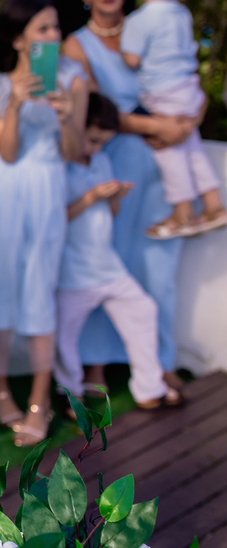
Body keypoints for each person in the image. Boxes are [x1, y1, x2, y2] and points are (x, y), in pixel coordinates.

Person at [55, 0, 193, 394]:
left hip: (164, 164)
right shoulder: (76, 44)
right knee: (106, 258)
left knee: (158, 265)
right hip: (112, 162)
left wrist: (189, 118)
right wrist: (159, 127)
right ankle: (94, 365)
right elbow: (101, 111)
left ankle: (159, 360)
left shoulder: (148, 25)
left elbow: (183, 77)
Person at [0, 0, 84, 448]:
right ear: (18, 39)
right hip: (3, 191)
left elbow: (74, 153)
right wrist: (15, 103)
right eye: (42, 29)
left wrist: (67, 118)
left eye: (55, 28)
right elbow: (7, 151)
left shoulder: (73, 81)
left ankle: (40, 398)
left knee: (40, 289)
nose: (53, 36)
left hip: (48, 187)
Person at [54, 92, 184, 411]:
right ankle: (70, 390)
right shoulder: (60, 166)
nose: (96, 148)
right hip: (73, 270)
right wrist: (91, 196)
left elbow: (110, 214)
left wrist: (114, 197)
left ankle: (149, 386)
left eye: (103, 143)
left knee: (143, 310)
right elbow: (55, 219)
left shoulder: (101, 160)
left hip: (107, 265)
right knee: (64, 333)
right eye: (93, 140)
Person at [119, 0, 226, 238]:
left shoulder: (140, 19)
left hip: (163, 94)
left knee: (170, 151)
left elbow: (131, 59)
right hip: (188, 90)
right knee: (192, 147)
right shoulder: (182, 13)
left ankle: (182, 213)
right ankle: (214, 205)